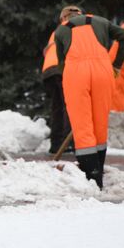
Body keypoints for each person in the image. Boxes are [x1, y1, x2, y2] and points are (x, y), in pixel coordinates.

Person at [54, 6, 124, 189]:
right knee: (99, 123)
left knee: (82, 125)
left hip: (76, 73)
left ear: (64, 18)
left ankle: (92, 178)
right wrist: (117, 65)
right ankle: (99, 173)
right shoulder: (101, 21)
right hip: (103, 72)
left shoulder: (61, 30)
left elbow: (61, 64)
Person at [42, 12, 73, 154]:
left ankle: (56, 145)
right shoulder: (74, 29)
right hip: (63, 68)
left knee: (57, 107)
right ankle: (67, 145)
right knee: (70, 106)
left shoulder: (56, 31)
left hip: (48, 71)